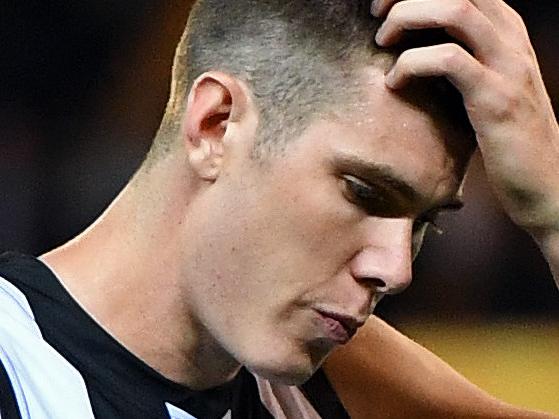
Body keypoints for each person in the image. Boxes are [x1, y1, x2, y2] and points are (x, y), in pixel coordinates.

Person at [0, 0, 557, 418]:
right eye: (363, 192)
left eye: (423, 225)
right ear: (216, 124)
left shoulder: (324, 377)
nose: (396, 270)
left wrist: (553, 210)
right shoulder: (18, 366)